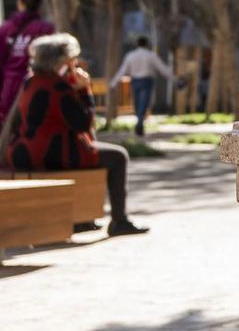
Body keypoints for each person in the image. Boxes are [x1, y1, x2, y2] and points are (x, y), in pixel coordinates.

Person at [5, 33, 146, 238]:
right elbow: (84, 124)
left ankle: (82, 219)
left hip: (23, 151)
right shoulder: (58, 86)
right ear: (62, 61)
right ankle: (119, 220)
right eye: (72, 59)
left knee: (92, 151)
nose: (75, 63)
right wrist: (84, 91)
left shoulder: (30, 81)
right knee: (118, 156)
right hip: (54, 152)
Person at [0, 0, 53, 126]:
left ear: (20, 2)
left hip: (8, 89)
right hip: (35, 87)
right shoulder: (46, 29)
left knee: (8, 129)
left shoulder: (5, 28)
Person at [110, 35, 174, 136]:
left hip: (135, 81)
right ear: (147, 44)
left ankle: (139, 122)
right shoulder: (150, 55)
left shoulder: (131, 55)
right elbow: (162, 69)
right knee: (143, 103)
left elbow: (122, 70)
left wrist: (113, 83)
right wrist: (174, 79)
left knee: (138, 103)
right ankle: (140, 122)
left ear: (137, 44)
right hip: (146, 81)